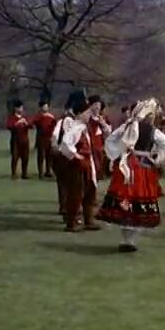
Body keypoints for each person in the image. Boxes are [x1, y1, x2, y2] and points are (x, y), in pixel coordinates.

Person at [97, 98, 165, 252]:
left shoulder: (127, 126)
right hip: (142, 169)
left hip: (126, 167)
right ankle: (130, 240)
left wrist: (118, 153)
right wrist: (157, 159)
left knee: (126, 201)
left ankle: (126, 239)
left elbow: (111, 139)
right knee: (138, 203)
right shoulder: (153, 131)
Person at [59, 92, 101, 232]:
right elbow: (65, 144)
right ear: (79, 114)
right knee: (76, 194)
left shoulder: (85, 128)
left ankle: (89, 220)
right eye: (86, 113)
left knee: (89, 193)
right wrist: (75, 155)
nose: (89, 115)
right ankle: (71, 222)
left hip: (87, 166)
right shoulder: (75, 128)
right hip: (77, 167)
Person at [51, 97, 76, 219]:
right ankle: (64, 207)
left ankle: (69, 207)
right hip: (64, 156)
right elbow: (55, 137)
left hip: (71, 155)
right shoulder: (62, 122)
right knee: (64, 183)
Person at [87, 95, 112, 181]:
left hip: (99, 147)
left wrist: (103, 124)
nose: (97, 107)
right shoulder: (87, 118)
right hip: (89, 146)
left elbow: (108, 132)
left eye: (99, 105)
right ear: (90, 106)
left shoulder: (102, 118)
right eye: (95, 105)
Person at [6, 99, 31, 179]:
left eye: (22, 108)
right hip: (15, 141)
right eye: (19, 108)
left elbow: (30, 125)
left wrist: (26, 123)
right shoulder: (12, 117)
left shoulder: (25, 117)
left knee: (25, 157)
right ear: (16, 108)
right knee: (15, 157)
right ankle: (14, 173)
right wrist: (18, 123)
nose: (21, 109)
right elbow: (9, 126)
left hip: (25, 140)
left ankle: (24, 173)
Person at [32, 100, 57, 179]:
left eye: (46, 106)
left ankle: (48, 171)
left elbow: (55, 124)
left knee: (49, 155)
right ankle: (40, 173)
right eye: (44, 106)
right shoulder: (38, 116)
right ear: (41, 107)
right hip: (41, 138)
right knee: (41, 155)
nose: (46, 108)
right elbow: (34, 123)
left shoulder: (51, 116)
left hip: (49, 137)